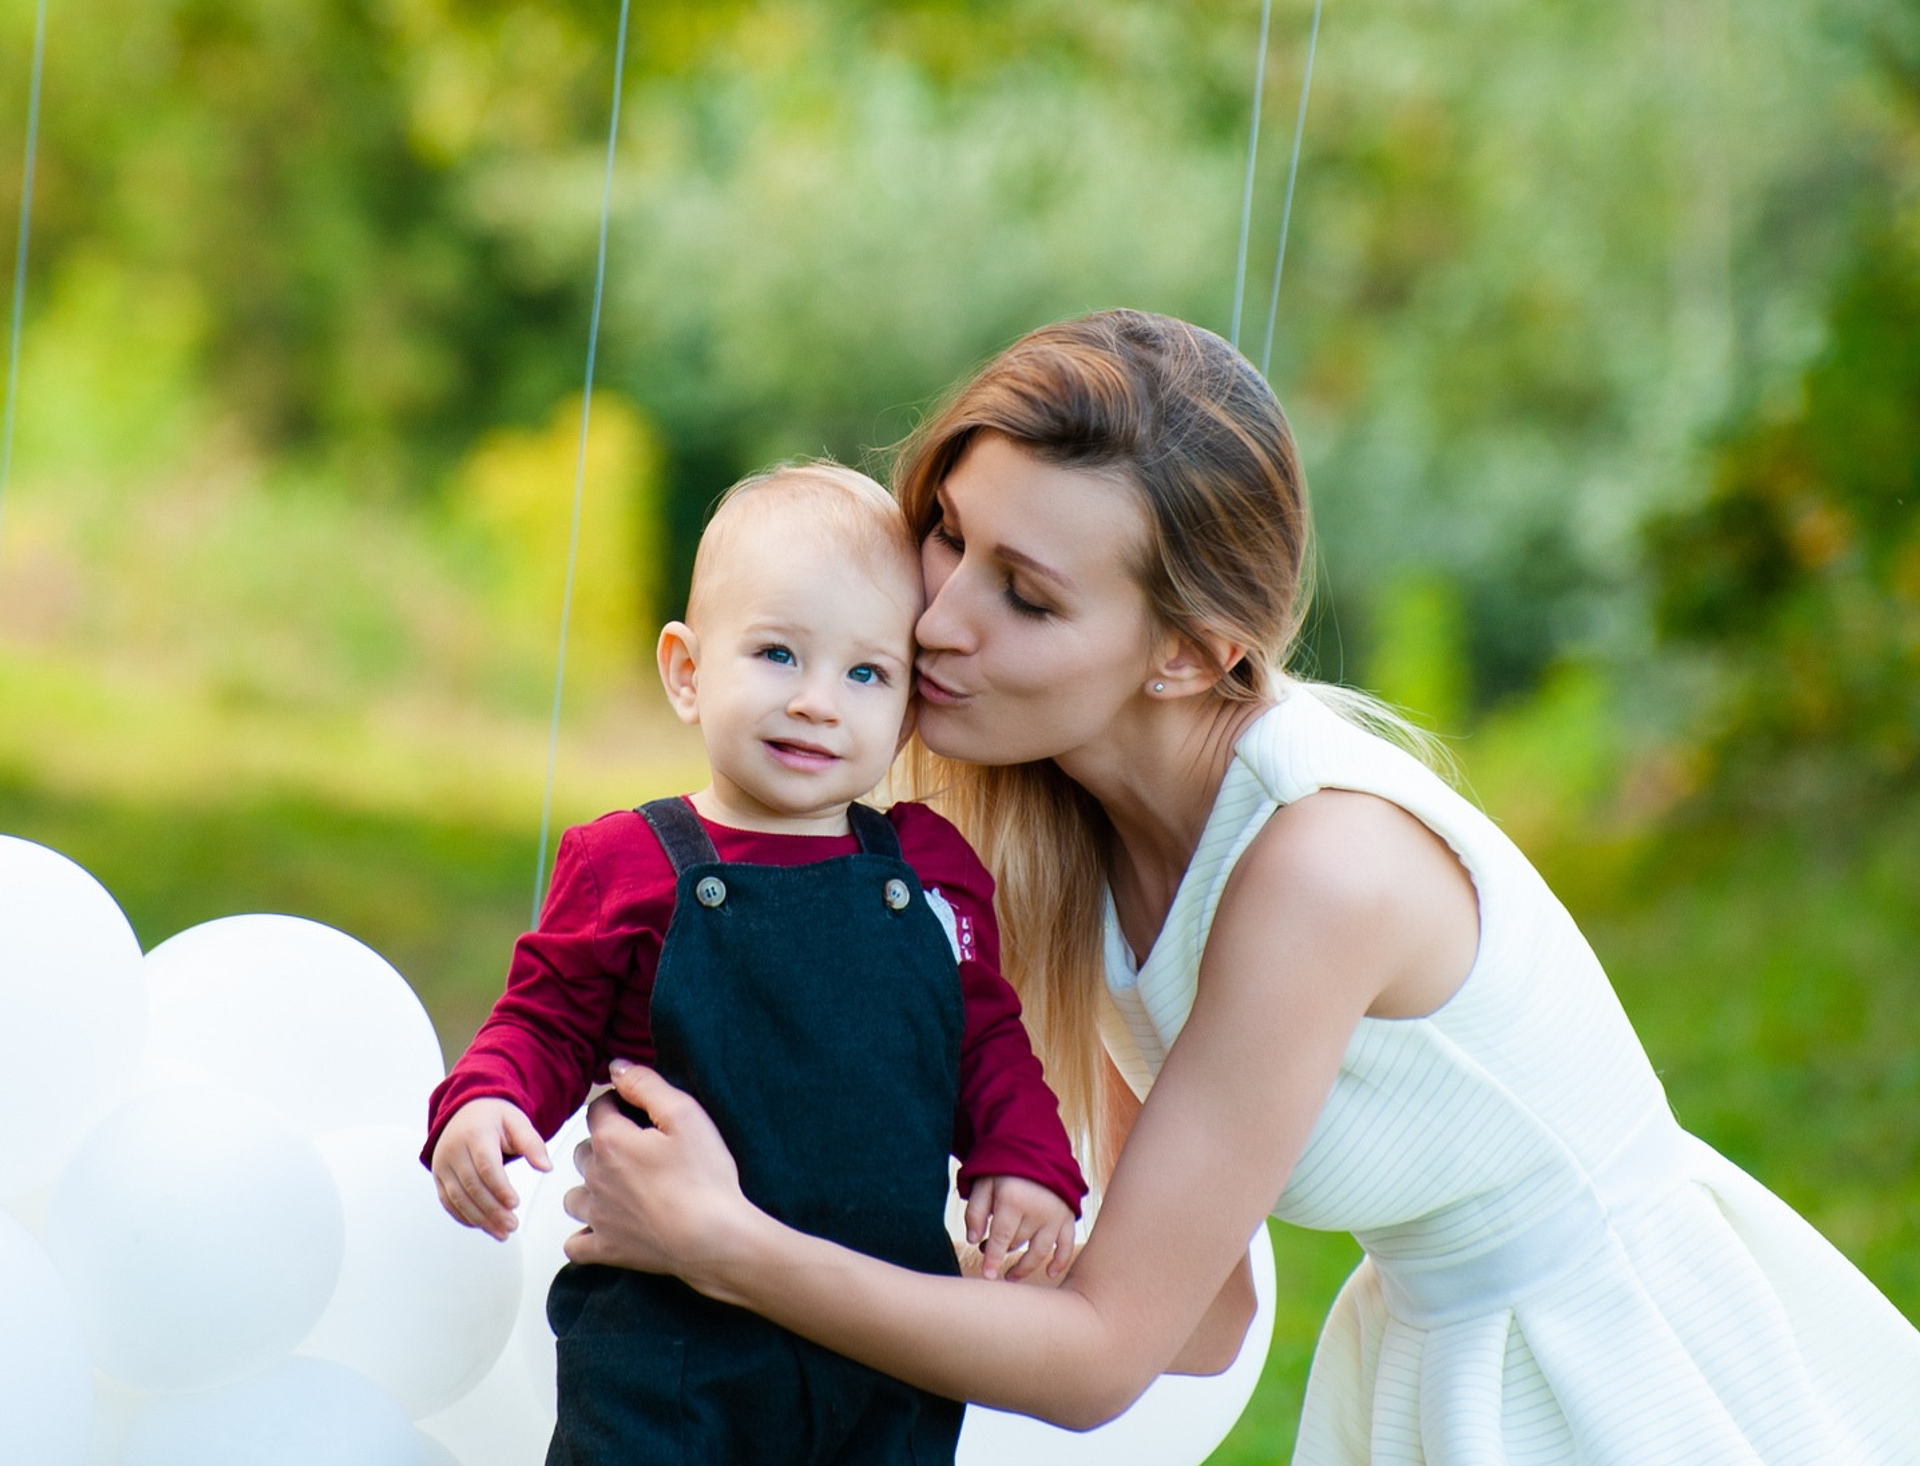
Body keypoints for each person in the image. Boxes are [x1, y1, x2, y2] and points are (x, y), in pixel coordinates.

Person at [557, 309, 1920, 1465]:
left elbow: (1099, 1357)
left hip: (1603, 1372)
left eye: (1026, 596)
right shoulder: (1059, 829)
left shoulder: (1321, 868)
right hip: (1424, 1348)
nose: (938, 619)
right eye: (948, 537)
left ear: (1187, 656)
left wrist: (724, 1243)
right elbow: (1188, 1307)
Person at [423, 462, 1085, 1466]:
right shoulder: (631, 861)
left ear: (907, 711)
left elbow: (983, 1038)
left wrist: (1025, 1162)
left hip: (883, 1333)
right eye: (778, 654)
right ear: (688, 671)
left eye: (866, 674)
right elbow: (545, 1019)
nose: (819, 703)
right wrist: (485, 1097)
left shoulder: (932, 869)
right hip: (667, 1347)